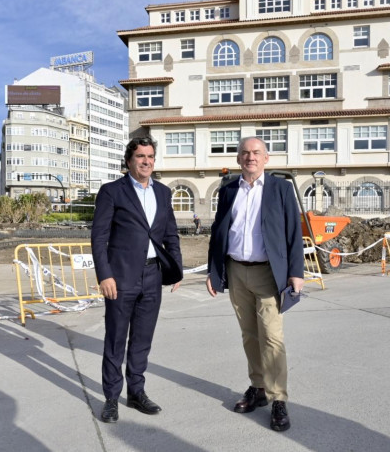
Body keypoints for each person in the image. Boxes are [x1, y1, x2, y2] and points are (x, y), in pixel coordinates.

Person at [206, 136, 304, 432]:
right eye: (245, 153)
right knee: (250, 335)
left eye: (256, 152)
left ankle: (278, 399)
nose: (250, 157)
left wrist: (296, 272)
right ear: (238, 159)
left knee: (272, 337)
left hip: (268, 273)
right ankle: (258, 387)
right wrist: (213, 271)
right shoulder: (228, 189)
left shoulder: (281, 189)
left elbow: (293, 233)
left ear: (266, 158)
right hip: (236, 271)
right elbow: (218, 231)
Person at [91, 136, 183, 424]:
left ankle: (136, 392)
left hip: (153, 275)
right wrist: (105, 274)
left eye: (151, 156)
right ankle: (110, 398)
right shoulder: (111, 192)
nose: (146, 161)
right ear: (129, 161)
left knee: (142, 340)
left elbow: (170, 234)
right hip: (121, 277)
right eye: (141, 156)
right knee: (116, 340)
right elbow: (99, 237)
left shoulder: (164, 193)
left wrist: (176, 269)